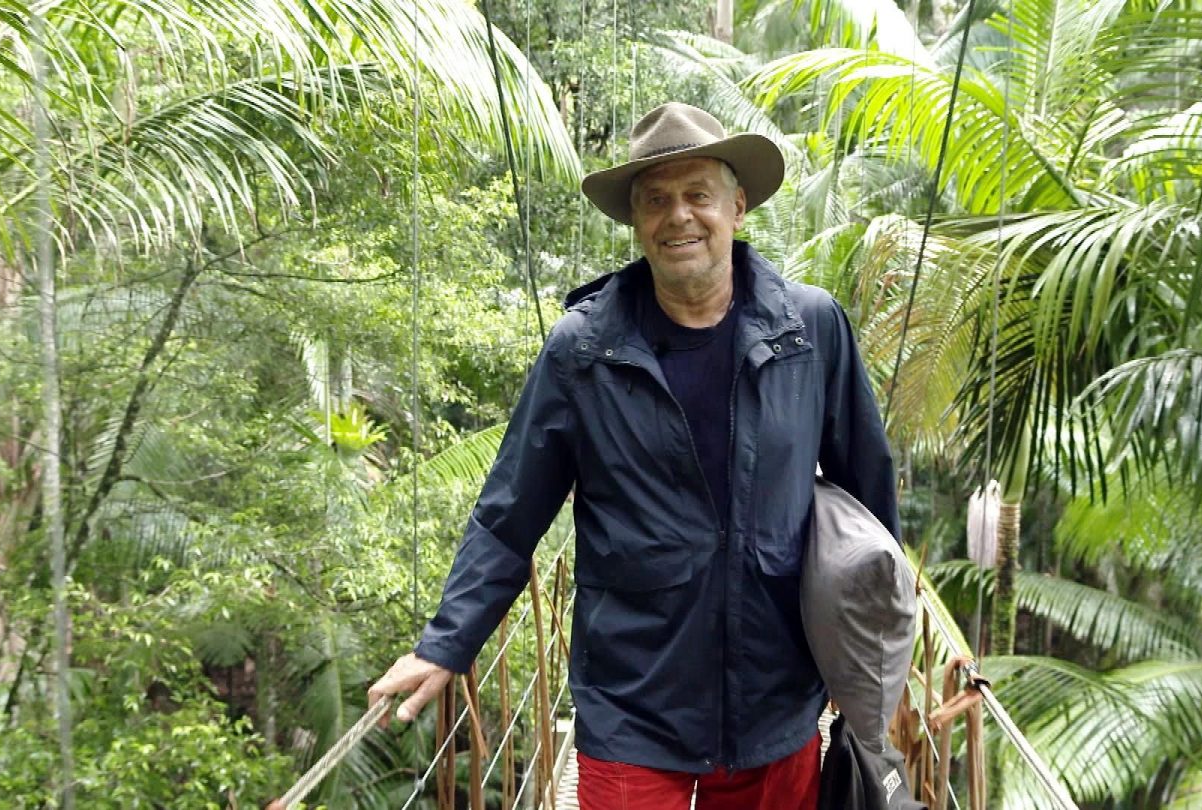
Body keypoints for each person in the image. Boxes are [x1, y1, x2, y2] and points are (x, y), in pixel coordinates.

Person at [368, 102, 899, 809]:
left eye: (697, 195)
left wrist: (869, 649)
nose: (678, 216)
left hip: (775, 696)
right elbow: (509, 513)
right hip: (634, 705)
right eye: (656, 200)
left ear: (737, 207)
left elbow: (867, 491)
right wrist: (446, 642)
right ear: (636, 222)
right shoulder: (583, 350)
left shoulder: (810, 329)